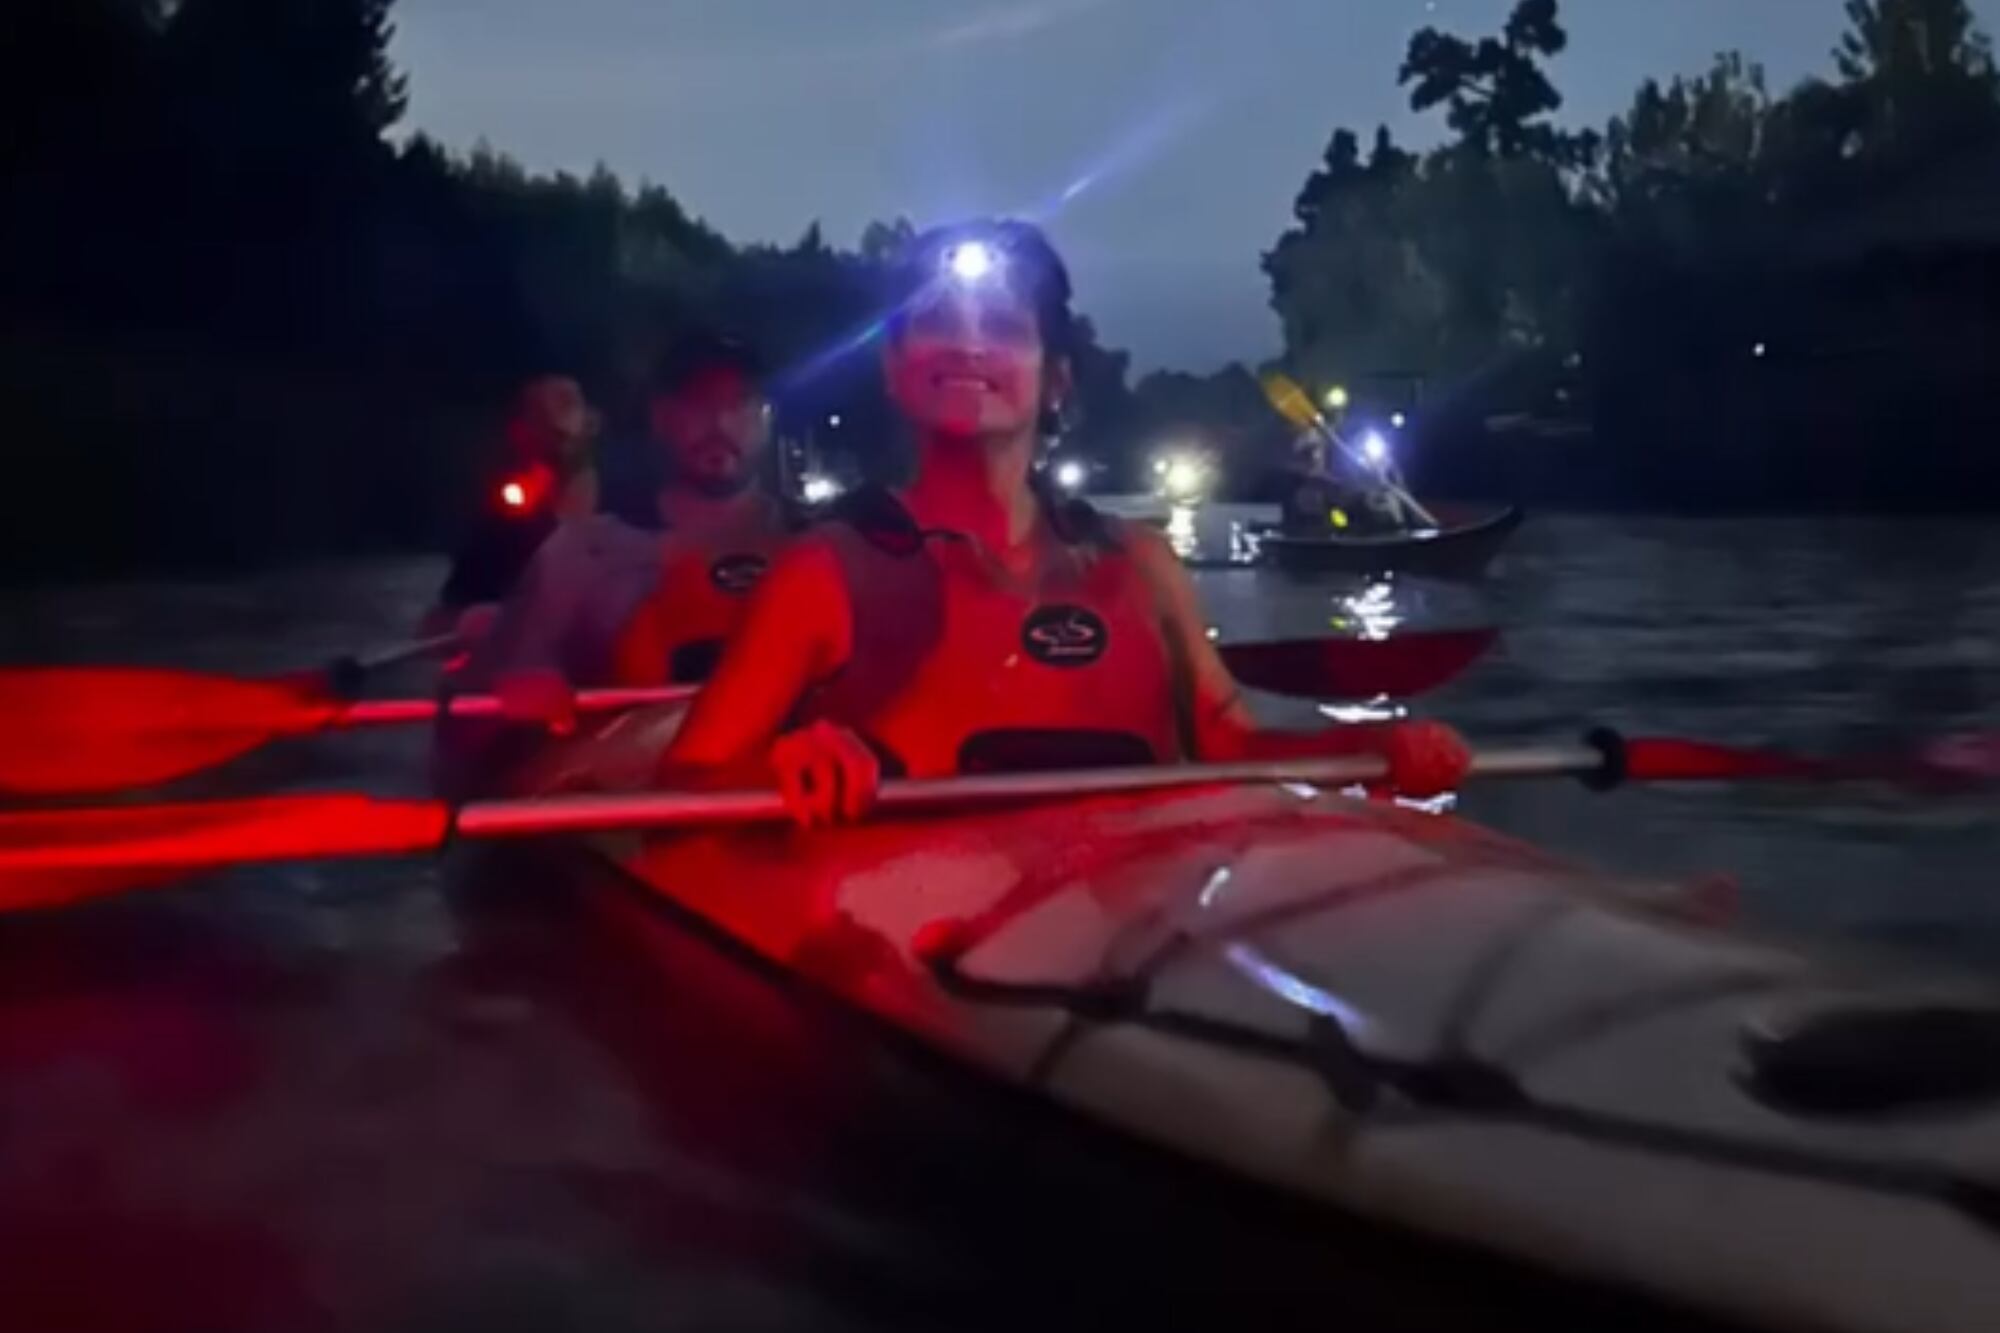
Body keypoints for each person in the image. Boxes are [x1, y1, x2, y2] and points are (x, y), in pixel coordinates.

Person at [656, 220, 1471, 825]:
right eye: (937, 323)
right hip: (926, 956)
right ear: (895, 370)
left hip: (1146, 929)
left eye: (1004, 328)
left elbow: (1231, 748)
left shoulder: (1139, 563)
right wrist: (773, 766)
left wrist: (1368, 758)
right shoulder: (828, 573)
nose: (968, 346)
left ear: (1055, 381)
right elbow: (681, 787)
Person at [433, 335, 791, 794]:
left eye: (738, 404)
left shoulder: (822, 547)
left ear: (766, 418)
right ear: (662, 418)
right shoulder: (584, 555)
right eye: (697, 405)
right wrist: (510, 700)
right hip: (631, 814)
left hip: (788, 807)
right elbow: (462, 741)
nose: (719, 423)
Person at [424, 374, 601, 638]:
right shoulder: (507, 509)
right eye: (539, 415)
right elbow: (446, 615)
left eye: (567, 405)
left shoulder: (622, 493)